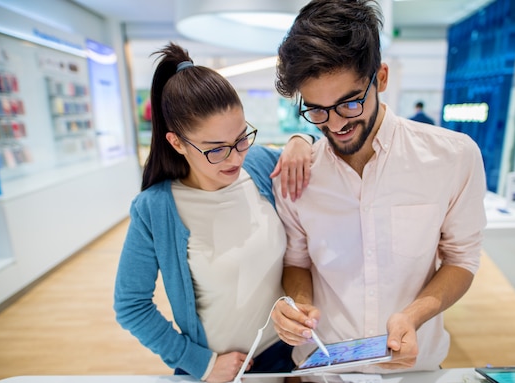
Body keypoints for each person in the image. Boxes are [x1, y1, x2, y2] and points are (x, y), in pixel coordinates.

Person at [270, 0, 487, 376]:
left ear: (381, 78)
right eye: (317, 110)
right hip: (323, 370)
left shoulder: (452, 157)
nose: (335, 124)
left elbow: (460, 260)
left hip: (416, 368)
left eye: (349, 103)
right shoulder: (299, 173)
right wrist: (299, 304)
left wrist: (414, 315)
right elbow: (297, 261)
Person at [113, 43, 315, 383]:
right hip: (216, 372)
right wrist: (201, 363)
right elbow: (131, 305)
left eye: (241, 138)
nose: (235, 158)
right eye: (216, 150)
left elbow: (307, 142)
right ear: (177, 143)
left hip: (284, 355)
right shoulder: (156, 209)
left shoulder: (260, 164)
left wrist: (301, 139)